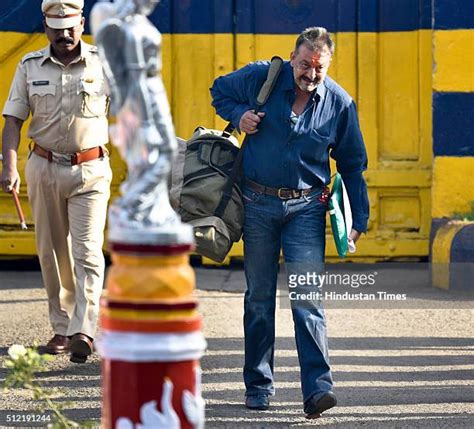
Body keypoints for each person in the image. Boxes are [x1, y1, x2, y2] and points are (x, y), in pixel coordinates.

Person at [210, 27, 369, 418]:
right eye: (304, 64)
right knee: (260, 300)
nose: (310, 74)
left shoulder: (340, 104)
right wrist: (239, 115)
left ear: (327, 65)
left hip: (307, 210)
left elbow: (351, 164)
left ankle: (318, 391)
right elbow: (219, 90)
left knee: (307, 300)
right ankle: (259, 387)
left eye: (318, 67)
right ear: (292, 57)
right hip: (258, 204)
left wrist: (358, 217)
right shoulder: (263, 75)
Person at [1, 0, 112, 363]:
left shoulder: (104, 64)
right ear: (45, 26)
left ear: (81, 22)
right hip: (44, 167)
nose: (64, 35)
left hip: (91, 171)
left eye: (70, 26)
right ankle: (62, 327)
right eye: (56, 28)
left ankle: (84, 329)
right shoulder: (29, 66)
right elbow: (14, 120)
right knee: (51, 252)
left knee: (87, 251)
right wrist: (10, 167)